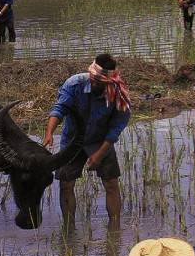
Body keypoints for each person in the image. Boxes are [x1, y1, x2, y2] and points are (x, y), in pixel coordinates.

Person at [45, 54, 131, 225]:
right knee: (66, 184)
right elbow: (60, 108)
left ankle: (114, 229)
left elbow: (116, 128)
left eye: (101, 83)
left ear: (109, 81)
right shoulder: (74, 84)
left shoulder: (118, 94)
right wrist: (49, 133)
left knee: (111, 183)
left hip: (100, 140)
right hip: (72, 140)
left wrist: (99, 154)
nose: (96, 84)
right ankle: (68, 228)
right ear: (91, 74)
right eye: (94, 80)